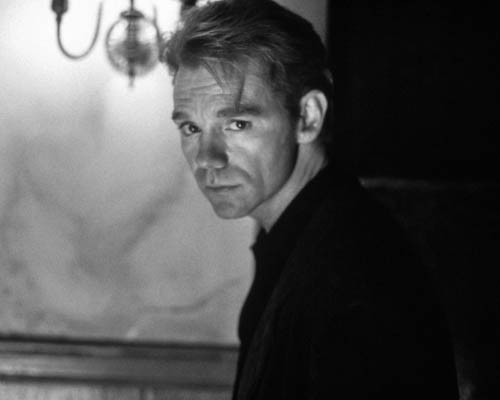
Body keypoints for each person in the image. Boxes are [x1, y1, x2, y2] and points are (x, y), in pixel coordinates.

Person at [161, 0, 459, 398]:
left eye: (237, 123)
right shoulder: (307, 243)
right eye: (191, 128)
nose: (207, 158)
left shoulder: (354, 271)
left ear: (308, 117)